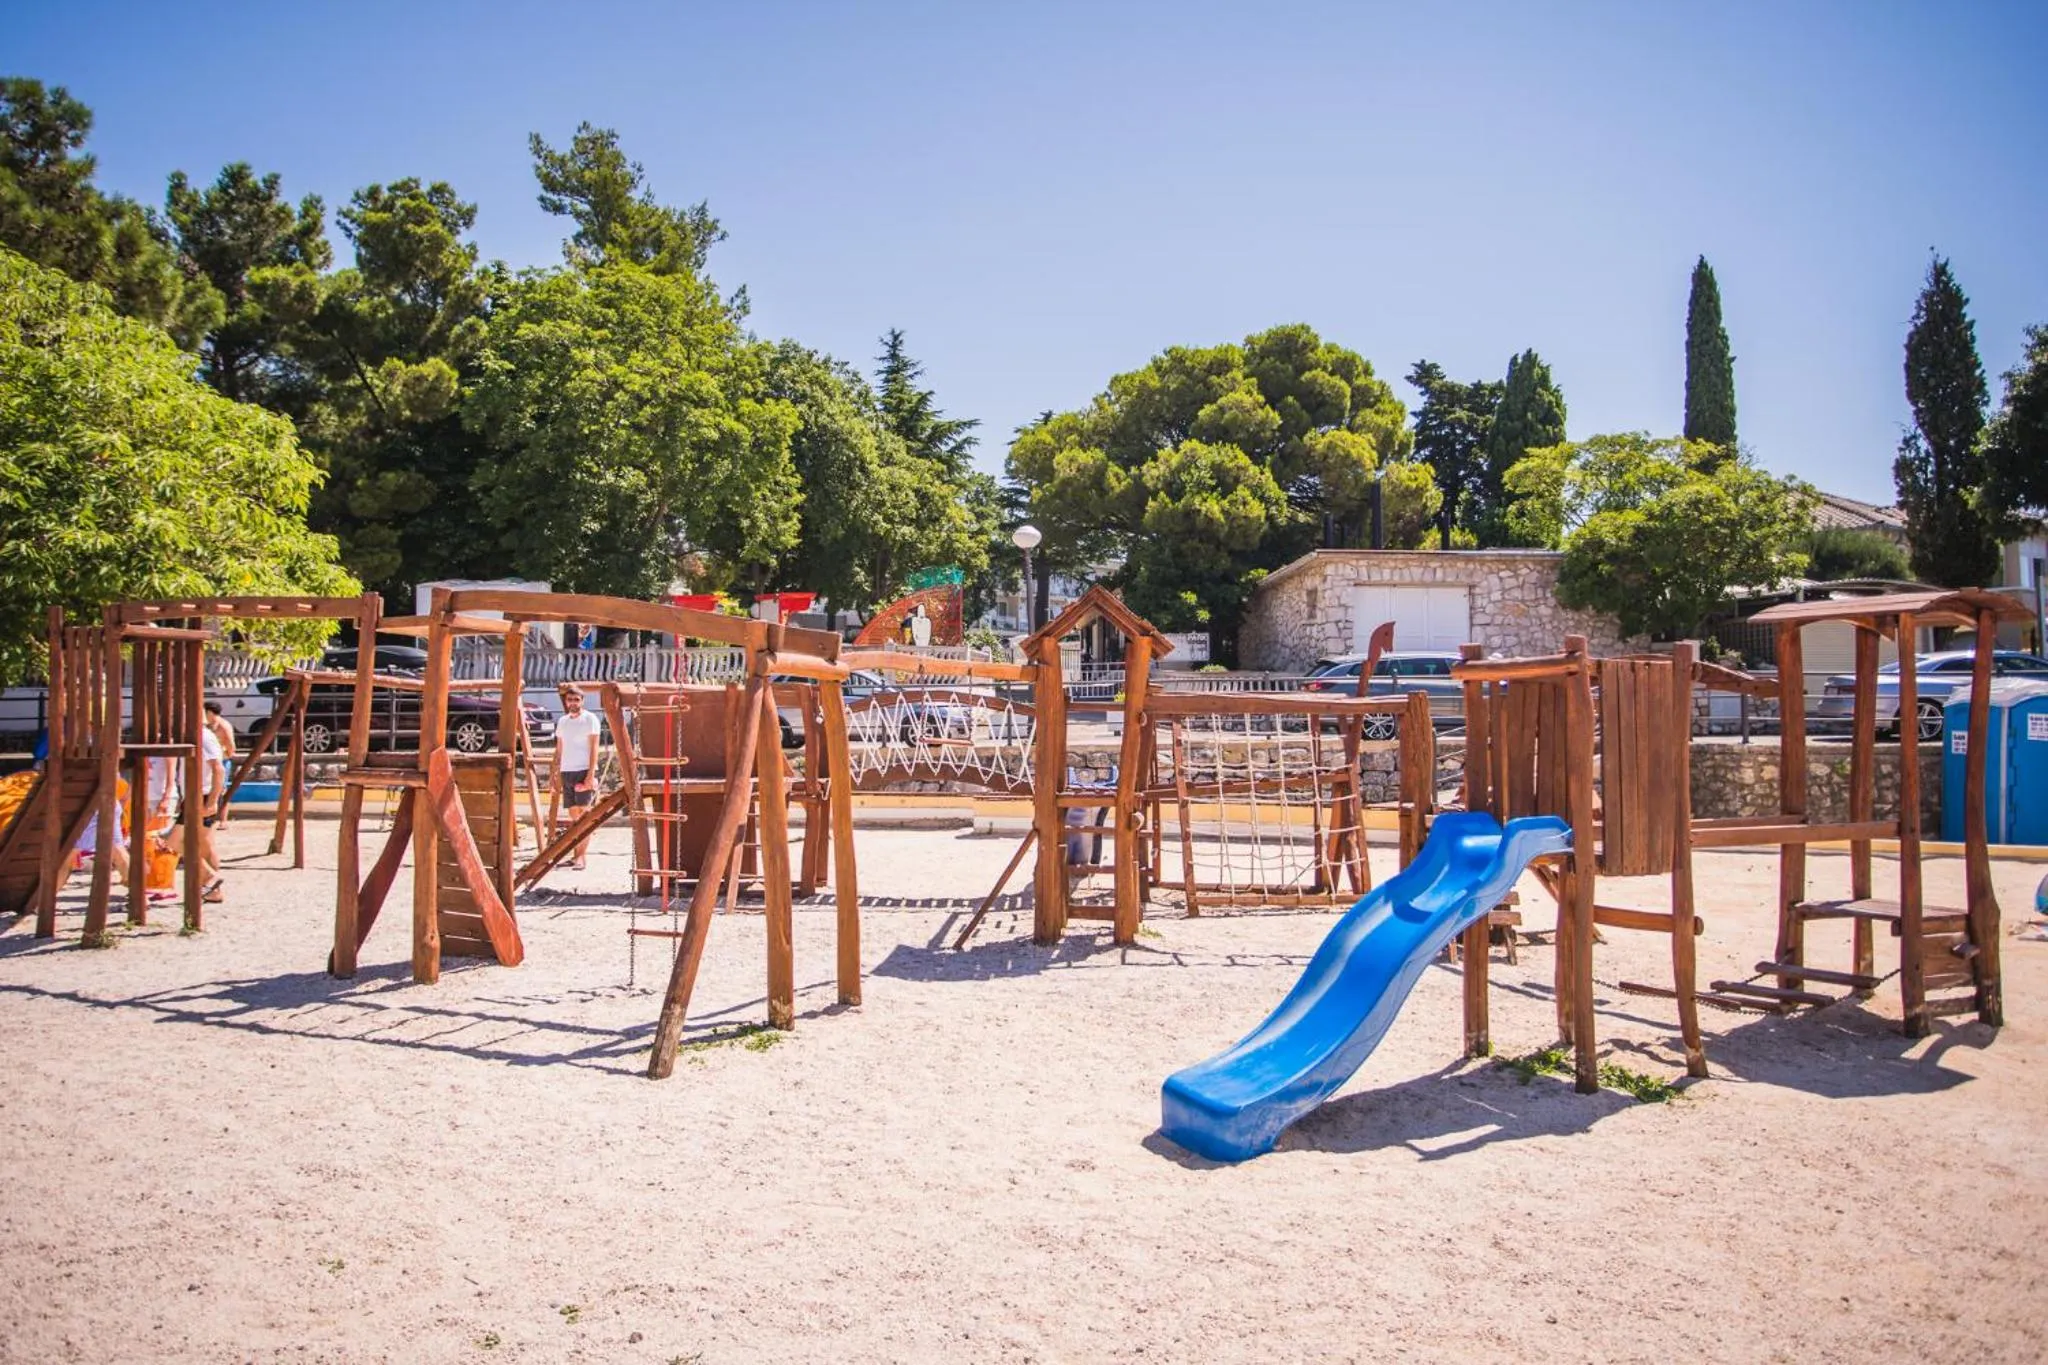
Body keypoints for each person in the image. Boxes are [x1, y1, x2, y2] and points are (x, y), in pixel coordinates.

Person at [166, 721, 228, 902]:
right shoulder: (196, 736)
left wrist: (213, 801)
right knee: (205, 845)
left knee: (174, 843)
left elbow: (218, 769)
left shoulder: (203, 737)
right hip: (197, 795)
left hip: (202, 796)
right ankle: (212, 889)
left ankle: (210, 879)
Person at [553, 685, 602, 870]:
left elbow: (594, 748)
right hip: (567, 771)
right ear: (566, 702)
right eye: (569, 700)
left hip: (584, 770)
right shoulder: (563, 721)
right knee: (574, 817)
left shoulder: (590, 719)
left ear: (582, 701)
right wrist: (555, 773)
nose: (572, 703)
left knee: (584, 817)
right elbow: (559, 749)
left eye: (576, 700)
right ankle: (575, 856)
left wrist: (590, 775)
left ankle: (582, 857)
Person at [203, 700, 237, 826]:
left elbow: (231, 745)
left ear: (209, 712)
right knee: (210, 787)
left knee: (221, 788)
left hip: (221, 759)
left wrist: (226, 755)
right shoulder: (208, 725)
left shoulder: (223, 725)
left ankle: (223, 820)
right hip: (210, 759)